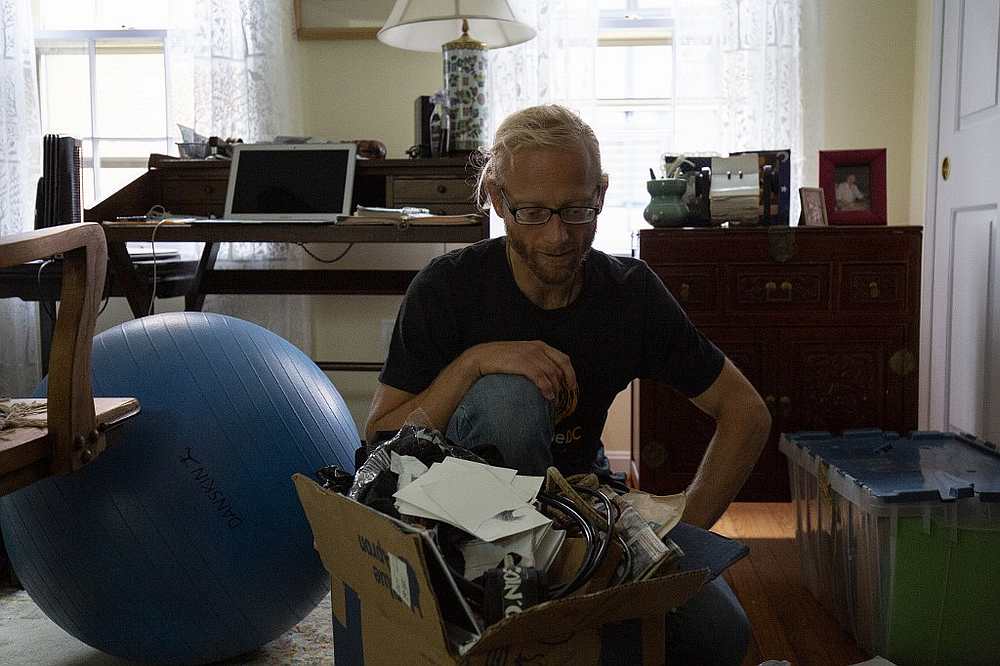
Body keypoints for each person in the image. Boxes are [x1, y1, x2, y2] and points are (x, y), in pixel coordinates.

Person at [365, 104, 771, 665]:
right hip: (462, 525)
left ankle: (556, 607)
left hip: (581, 505)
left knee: (718, 632)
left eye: (578, 210)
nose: (559, 236)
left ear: (600, 193)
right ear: (498, 199)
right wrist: (475, 363)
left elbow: (747, 412)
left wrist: (676, 539)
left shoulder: (629, 293)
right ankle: (523, 599)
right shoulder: (447, 289)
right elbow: (381, 440)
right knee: (511, 399)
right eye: (533, 213)